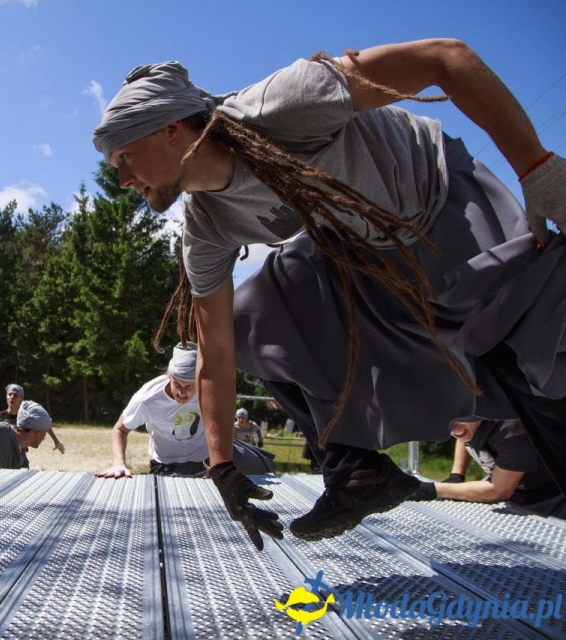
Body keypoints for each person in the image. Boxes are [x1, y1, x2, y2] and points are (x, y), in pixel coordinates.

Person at [92, 39, 566, 548]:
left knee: (527, 368)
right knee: (254, 317)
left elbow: (445, 58)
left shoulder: (283, 104)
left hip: (442, 210)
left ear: (171, 129)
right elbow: (217, 352)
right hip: (369, 262)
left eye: (125, 155)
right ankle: (356, 472)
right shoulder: (206, 227)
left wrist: (536, 168)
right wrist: (224, 465)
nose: (120, 178)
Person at [95, 342, 275, 479]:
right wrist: (119, 463)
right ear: (169, 376)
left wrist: (220, 465)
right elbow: (120, 429)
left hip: (207, 458)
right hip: (168, 464)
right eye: (177, 384)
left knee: (265, 472)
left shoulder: (210, 390)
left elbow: (223, 425)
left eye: (189, 386)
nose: (182, 392)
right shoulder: (147, 399)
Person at [410, 419, 566, 519]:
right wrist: (457, 474)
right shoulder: (467, 421)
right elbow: (463, 436)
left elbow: (498, 490)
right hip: (515, 497)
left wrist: (431, 490)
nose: (453, 430)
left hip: (550, 503)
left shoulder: (512, 431)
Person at [0, 383, 66, 454]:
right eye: (9, 394)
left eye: (15, 395)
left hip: (21, 454)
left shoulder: (26, 416)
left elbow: (43, 424)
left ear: (21, 398)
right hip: (3, 453)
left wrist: (56, 441)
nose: (11, 397)